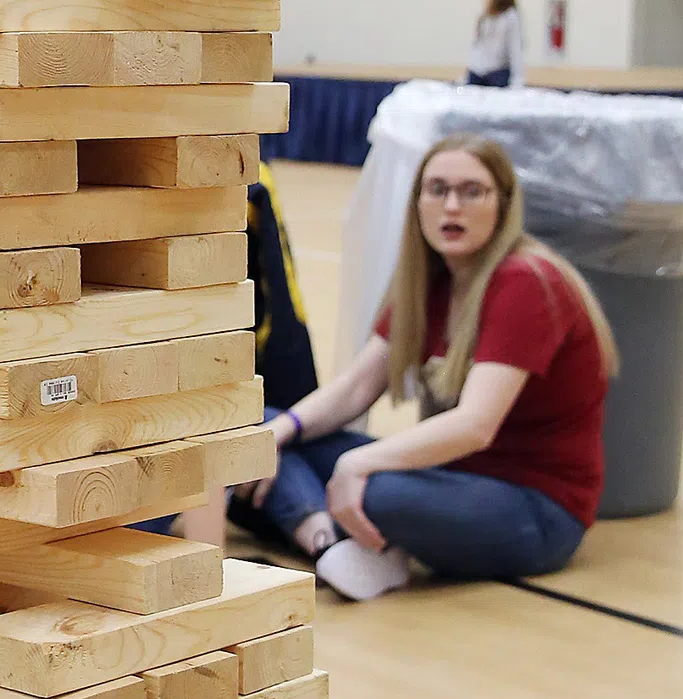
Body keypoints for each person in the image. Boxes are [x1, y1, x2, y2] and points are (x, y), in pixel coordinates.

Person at [253, 137, 615, 601]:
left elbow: (475, 426)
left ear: (503, 205)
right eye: (437, 189)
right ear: (418, 202)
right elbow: (356, 388)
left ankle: (351, 535)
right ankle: (325, 539)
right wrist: (279, 432)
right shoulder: (429, 280)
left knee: (374, 491)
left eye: (472, 191)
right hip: (452, 479)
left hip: (536, 510)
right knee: (265, 436)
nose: (452, 206)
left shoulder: (526, 282)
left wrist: (355, 463)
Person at [465, 0, 526, 87]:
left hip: (497, 73)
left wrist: (518, 79)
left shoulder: (510, 17)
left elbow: (515, 49)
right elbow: (476, 46)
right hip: (477, 71)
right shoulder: (484, 17)